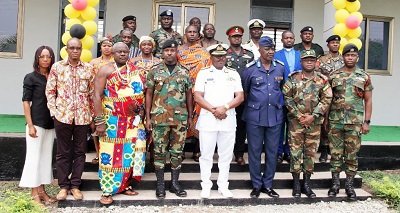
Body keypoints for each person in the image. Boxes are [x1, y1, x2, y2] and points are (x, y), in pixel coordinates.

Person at [93, 42, 146, 205]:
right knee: (110, 155)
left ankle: (125, 185)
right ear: (113, 53)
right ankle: (107, 190)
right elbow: (96, 95)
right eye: (119, 52)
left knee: (131, 153)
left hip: (133, 121)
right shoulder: (105, 70)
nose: (122, 54)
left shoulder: (134, 69)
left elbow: (142, 92)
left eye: (125, 51)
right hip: (112, 121)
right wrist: (100, 122)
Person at [46, 38, 94, 201]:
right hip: (63, 117)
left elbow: (92, 94)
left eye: (78, 48)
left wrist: (92, 116)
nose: (75, 51)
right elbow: (50, 91)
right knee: (63, 153)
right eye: (72, 48)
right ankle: (63, 186)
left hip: (82, 117)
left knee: (80, 152)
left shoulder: (88, 68)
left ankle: (75, 185)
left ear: (81, 50)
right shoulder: (57, 67)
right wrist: (54, 112)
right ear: (66, 49)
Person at [194, 43, 244, 199]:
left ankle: (223, 185)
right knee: (206, 155)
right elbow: (197, 96)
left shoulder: (233, 73)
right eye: (217, 56)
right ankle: (206, 186)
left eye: (223, 56)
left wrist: (225, 107)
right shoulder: (203, 73)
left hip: (228, 120)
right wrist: (214, 110)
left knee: (226, 155)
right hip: (208, 120)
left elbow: (240, 96)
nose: (220, 59)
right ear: (211, 57)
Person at [145, 39, 193, 199]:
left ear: (176, 51)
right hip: (159, 118)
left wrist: (190, 117)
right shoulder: (154, 71)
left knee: (177, 152)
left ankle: (174, 184)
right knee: (159, 152)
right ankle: (160, 185)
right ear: (162, 52)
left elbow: (189, 96)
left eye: (172, 51)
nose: (169, 53)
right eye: (166, 51)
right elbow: (149, 94)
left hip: (180, 119)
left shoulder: (184, 71)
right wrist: (148, 117)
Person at [283, 49, 332, 198]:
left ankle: (307, 184)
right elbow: (287, 97)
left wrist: (313, 116)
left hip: (314, 123)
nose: (309, 62)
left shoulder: (322, 80)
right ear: (301, 62)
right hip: (296, 123)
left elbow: (327, 99)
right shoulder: (293, 78)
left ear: (316, 62)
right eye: (306, 59)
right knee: (296, 152)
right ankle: (296, 184)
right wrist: (299, 115)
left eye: (312, 59)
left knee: (310, 153)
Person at [327, 44, 373, 200]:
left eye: (353, 55)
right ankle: (335, 184)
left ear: (357, 57)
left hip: (355, 122)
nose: (350, 58)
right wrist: (326, 120)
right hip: (335, 121)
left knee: (352, 155)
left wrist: (366, 121)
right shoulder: (333, 75)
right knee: (335, 154)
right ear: (343, 57)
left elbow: (368, 100)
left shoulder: (364, 76)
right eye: (347, 55)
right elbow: (328, 99)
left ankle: (349, 185)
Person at [242, 36, 285, 198]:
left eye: (272, 49)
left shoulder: (280, 68)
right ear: (259, 50)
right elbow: (245, 91)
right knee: (254, 151)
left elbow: (282, 89)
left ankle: (268, 184)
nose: (271, 52)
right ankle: (256, 185)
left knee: (272, 152)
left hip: (275, 116)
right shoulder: (250, 68)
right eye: (267, 49)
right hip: (255, 116)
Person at [20, 46, 57, 206]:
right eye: (42, 56)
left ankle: (42, 191)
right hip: (36, 123)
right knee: (34, 158)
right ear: (37, 58)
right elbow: (26, 102)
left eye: (48, 56)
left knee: (45, 158)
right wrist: (30, 125)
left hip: (51, 124)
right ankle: (34, 194)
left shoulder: (55, 77)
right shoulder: (31, 77)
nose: (45, 59)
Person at [177, 25, 211, 162]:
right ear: (185, 34)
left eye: (194, 32)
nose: (192, 34)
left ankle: (197, 151)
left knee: (199, 119)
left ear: (198, 35)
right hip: (181, 91)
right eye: (189, 32)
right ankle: (181, 150)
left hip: (199, 91)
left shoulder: (205, 52)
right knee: (182, 119)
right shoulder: (178, 51)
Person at [226, 26, 254, 166]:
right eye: (233, 36)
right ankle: (226, 154)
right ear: (229, 38)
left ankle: (239, 154)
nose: (236, 38)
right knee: (228, 126)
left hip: (245, 97)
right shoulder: (224, 54)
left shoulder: (249, 55)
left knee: (242, 127)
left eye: (238, 36)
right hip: (227, 98)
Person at [274, 30, 302, 164]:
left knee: (292, 127)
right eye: (286, 38)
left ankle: (289, 152)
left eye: (291, 38)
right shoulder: (276, 55)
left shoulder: (300, 55)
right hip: (280, 97)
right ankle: (278, 153)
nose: (289, 40)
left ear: (294, 39)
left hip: (296, 98)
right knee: (279, 127)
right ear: (282, 40)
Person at [317, 35, 344, 163]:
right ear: (328, 45)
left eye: (337, 43)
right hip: (325, 94)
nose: (335, 44)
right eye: (332, 43)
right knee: (324, 123)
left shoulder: (344, 59)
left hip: (340, 96)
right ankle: (323, 150)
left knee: (338, 123)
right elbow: (316, 74)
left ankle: (336, 151)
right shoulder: (321, 59)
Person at [89, 38, 114, 164]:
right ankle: (98, 153)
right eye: (104, 45)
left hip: (112, 99)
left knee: (110, 126)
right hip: (97, 97)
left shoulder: (116, 62)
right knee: (95, 125)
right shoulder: (93, 62)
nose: (107, 48)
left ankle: (111, 154)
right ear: (100, 47)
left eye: (109, 46)